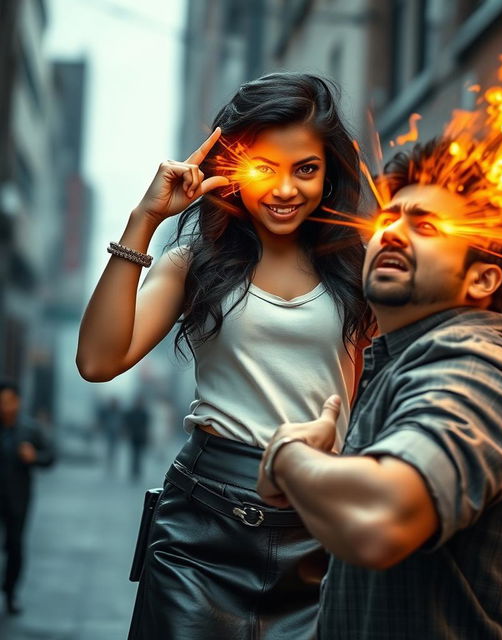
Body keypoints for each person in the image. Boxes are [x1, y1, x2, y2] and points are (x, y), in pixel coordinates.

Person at [76, 73, 372, 639]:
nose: (286, 189)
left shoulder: (357, 269)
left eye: (305, 169)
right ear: (233, 166)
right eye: (265, 168)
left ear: (329, 172)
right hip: (202, 528)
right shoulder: (194, 261)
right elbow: (97, 362)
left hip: (320, 525)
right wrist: (145, 220)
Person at [257, 138, 502, 639]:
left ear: (481, 279)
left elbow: (379, 521)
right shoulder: (401, 366)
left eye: (426, 226)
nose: (392, 233)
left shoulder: (476, 368)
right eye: (387, 220)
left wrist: (285, 455)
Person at [0, 380, 55, 615]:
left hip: (17, 498)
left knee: (15, 547)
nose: (5, 407)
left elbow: (51, 456)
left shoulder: (29, 429)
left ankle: (10, 593)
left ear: (18, 402)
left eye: (9, 402)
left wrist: (34, 457)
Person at [124, 395, 150, 481]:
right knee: (133, 454)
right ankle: (133, 470)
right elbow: (127, 423)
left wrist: (147, 435)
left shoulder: (144, 413)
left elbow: (147, 425)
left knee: (139, 454)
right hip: (134, 436)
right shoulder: (131, 412)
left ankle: (138, 470)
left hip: (141, 436)